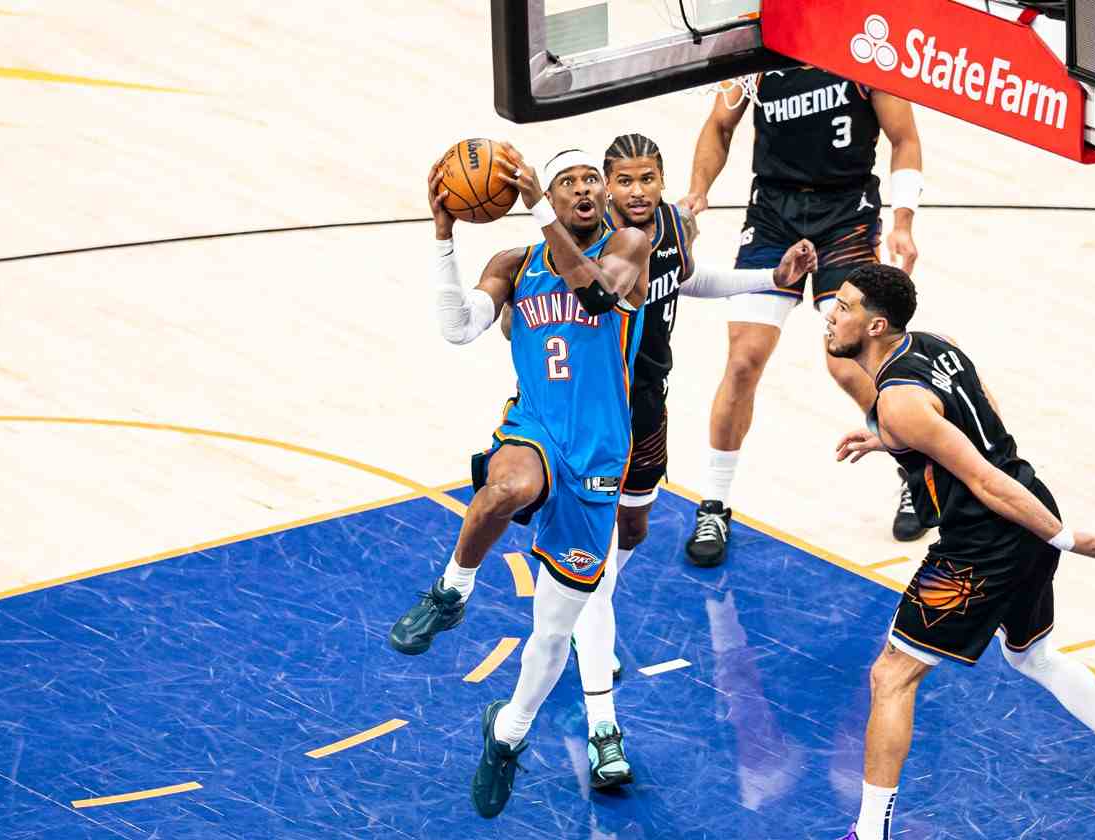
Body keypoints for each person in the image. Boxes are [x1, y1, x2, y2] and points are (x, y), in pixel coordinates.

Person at [825, 265, 1095, 840]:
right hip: (1026, 500)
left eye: (843, 307)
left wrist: (1069, 540)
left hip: (984, 540)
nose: (831, 313)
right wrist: (894, 440)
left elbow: (982, 481)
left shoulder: (899, 401)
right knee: (1033, 655)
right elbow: (980, 419)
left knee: (892, 675)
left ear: (875, 325)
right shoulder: (936, 347)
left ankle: (870, 834)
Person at [386, 146, 650, 818]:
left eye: (591, 179)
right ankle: (452, 590)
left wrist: (537, 205)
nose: (584, 189)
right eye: (567, 183)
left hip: (598, 453)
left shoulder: (630, 245)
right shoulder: (514, 265)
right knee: (501, 490)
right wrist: (443, 233)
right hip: (533, 427)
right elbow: (456, 329)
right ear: (553, 197)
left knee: (553, 631)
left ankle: (508, 735)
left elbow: (594, 289)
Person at [565, 132, 815, 789]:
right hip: (592, 417)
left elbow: (692, 278)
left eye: (649, 178)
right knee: (593, 569)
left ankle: (579, 616)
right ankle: (603, 731)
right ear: (605, 186)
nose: (638, 192)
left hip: (649, 402)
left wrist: (771, 278)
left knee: (633, 533)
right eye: (624, 182)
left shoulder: (675, 222)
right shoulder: (590, 244)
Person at [679, 66, 928, 567]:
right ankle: (714, 503)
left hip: (847, 213)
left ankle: (918, 474)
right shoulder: (756, 49)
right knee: (744, 361)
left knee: (852, 362)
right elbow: (720, 125)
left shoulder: (863, 42)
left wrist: (903, 220)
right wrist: (698, 190)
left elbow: (904, 138)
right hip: (772, 214)